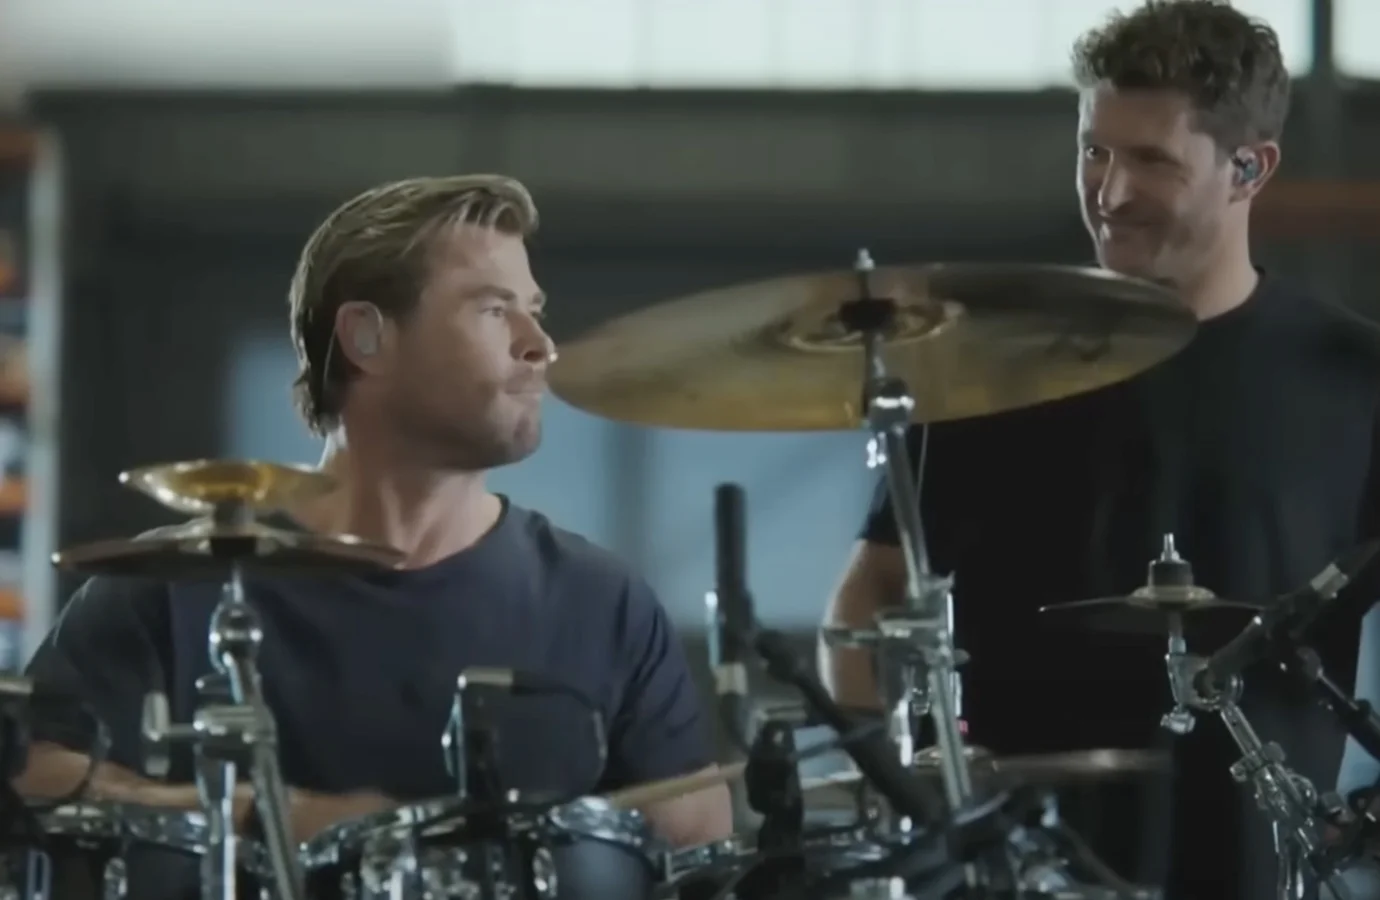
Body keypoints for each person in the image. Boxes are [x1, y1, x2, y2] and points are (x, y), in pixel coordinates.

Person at [819, 2, 1380, 899]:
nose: (1110, 193)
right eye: (1094, 151)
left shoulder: (1354, 379)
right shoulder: (991, 370)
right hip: (1018, 875)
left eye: (1152, 160)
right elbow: (871, 597)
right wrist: (891, 787)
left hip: (1260, 871)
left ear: (1250, 168)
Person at [16, 174, 733, 876]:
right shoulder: (179, 581)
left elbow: (698, 844)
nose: (539, 344)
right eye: (494, 310)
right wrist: (254, 814)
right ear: (366, 337)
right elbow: (29, 774)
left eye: (534, 310)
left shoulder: (603, 603)